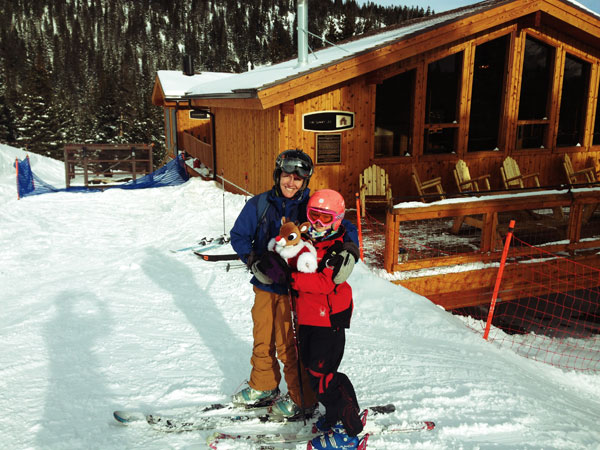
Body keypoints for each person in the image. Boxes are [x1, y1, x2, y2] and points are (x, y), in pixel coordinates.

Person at [255, 189, 364, 449]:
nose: (316, 223)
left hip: (328, 322)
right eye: (313, 216)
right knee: (314, 372)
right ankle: (335, 414)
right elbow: (285, 250)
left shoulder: (337, 247)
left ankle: (348, 430)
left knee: (321, 374)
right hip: (307, 320)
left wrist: (289, 278)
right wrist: (270, 262)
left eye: (324, 218)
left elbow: (325, 283)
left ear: (336, 220)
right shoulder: (305, 240)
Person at [229, 149, 318, 419]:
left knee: (288, 344)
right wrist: (254, 261)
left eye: (298, 179)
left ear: (305, 182)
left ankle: (302, 398)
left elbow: (339, 224)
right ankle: (264, 386)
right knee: (262, 338)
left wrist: (348, 247)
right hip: (265, 285)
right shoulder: (259, 204)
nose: (291, 183)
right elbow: (239, 236)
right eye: (286, 176)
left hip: (295, 290)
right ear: (277, 175)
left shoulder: (311, 207)